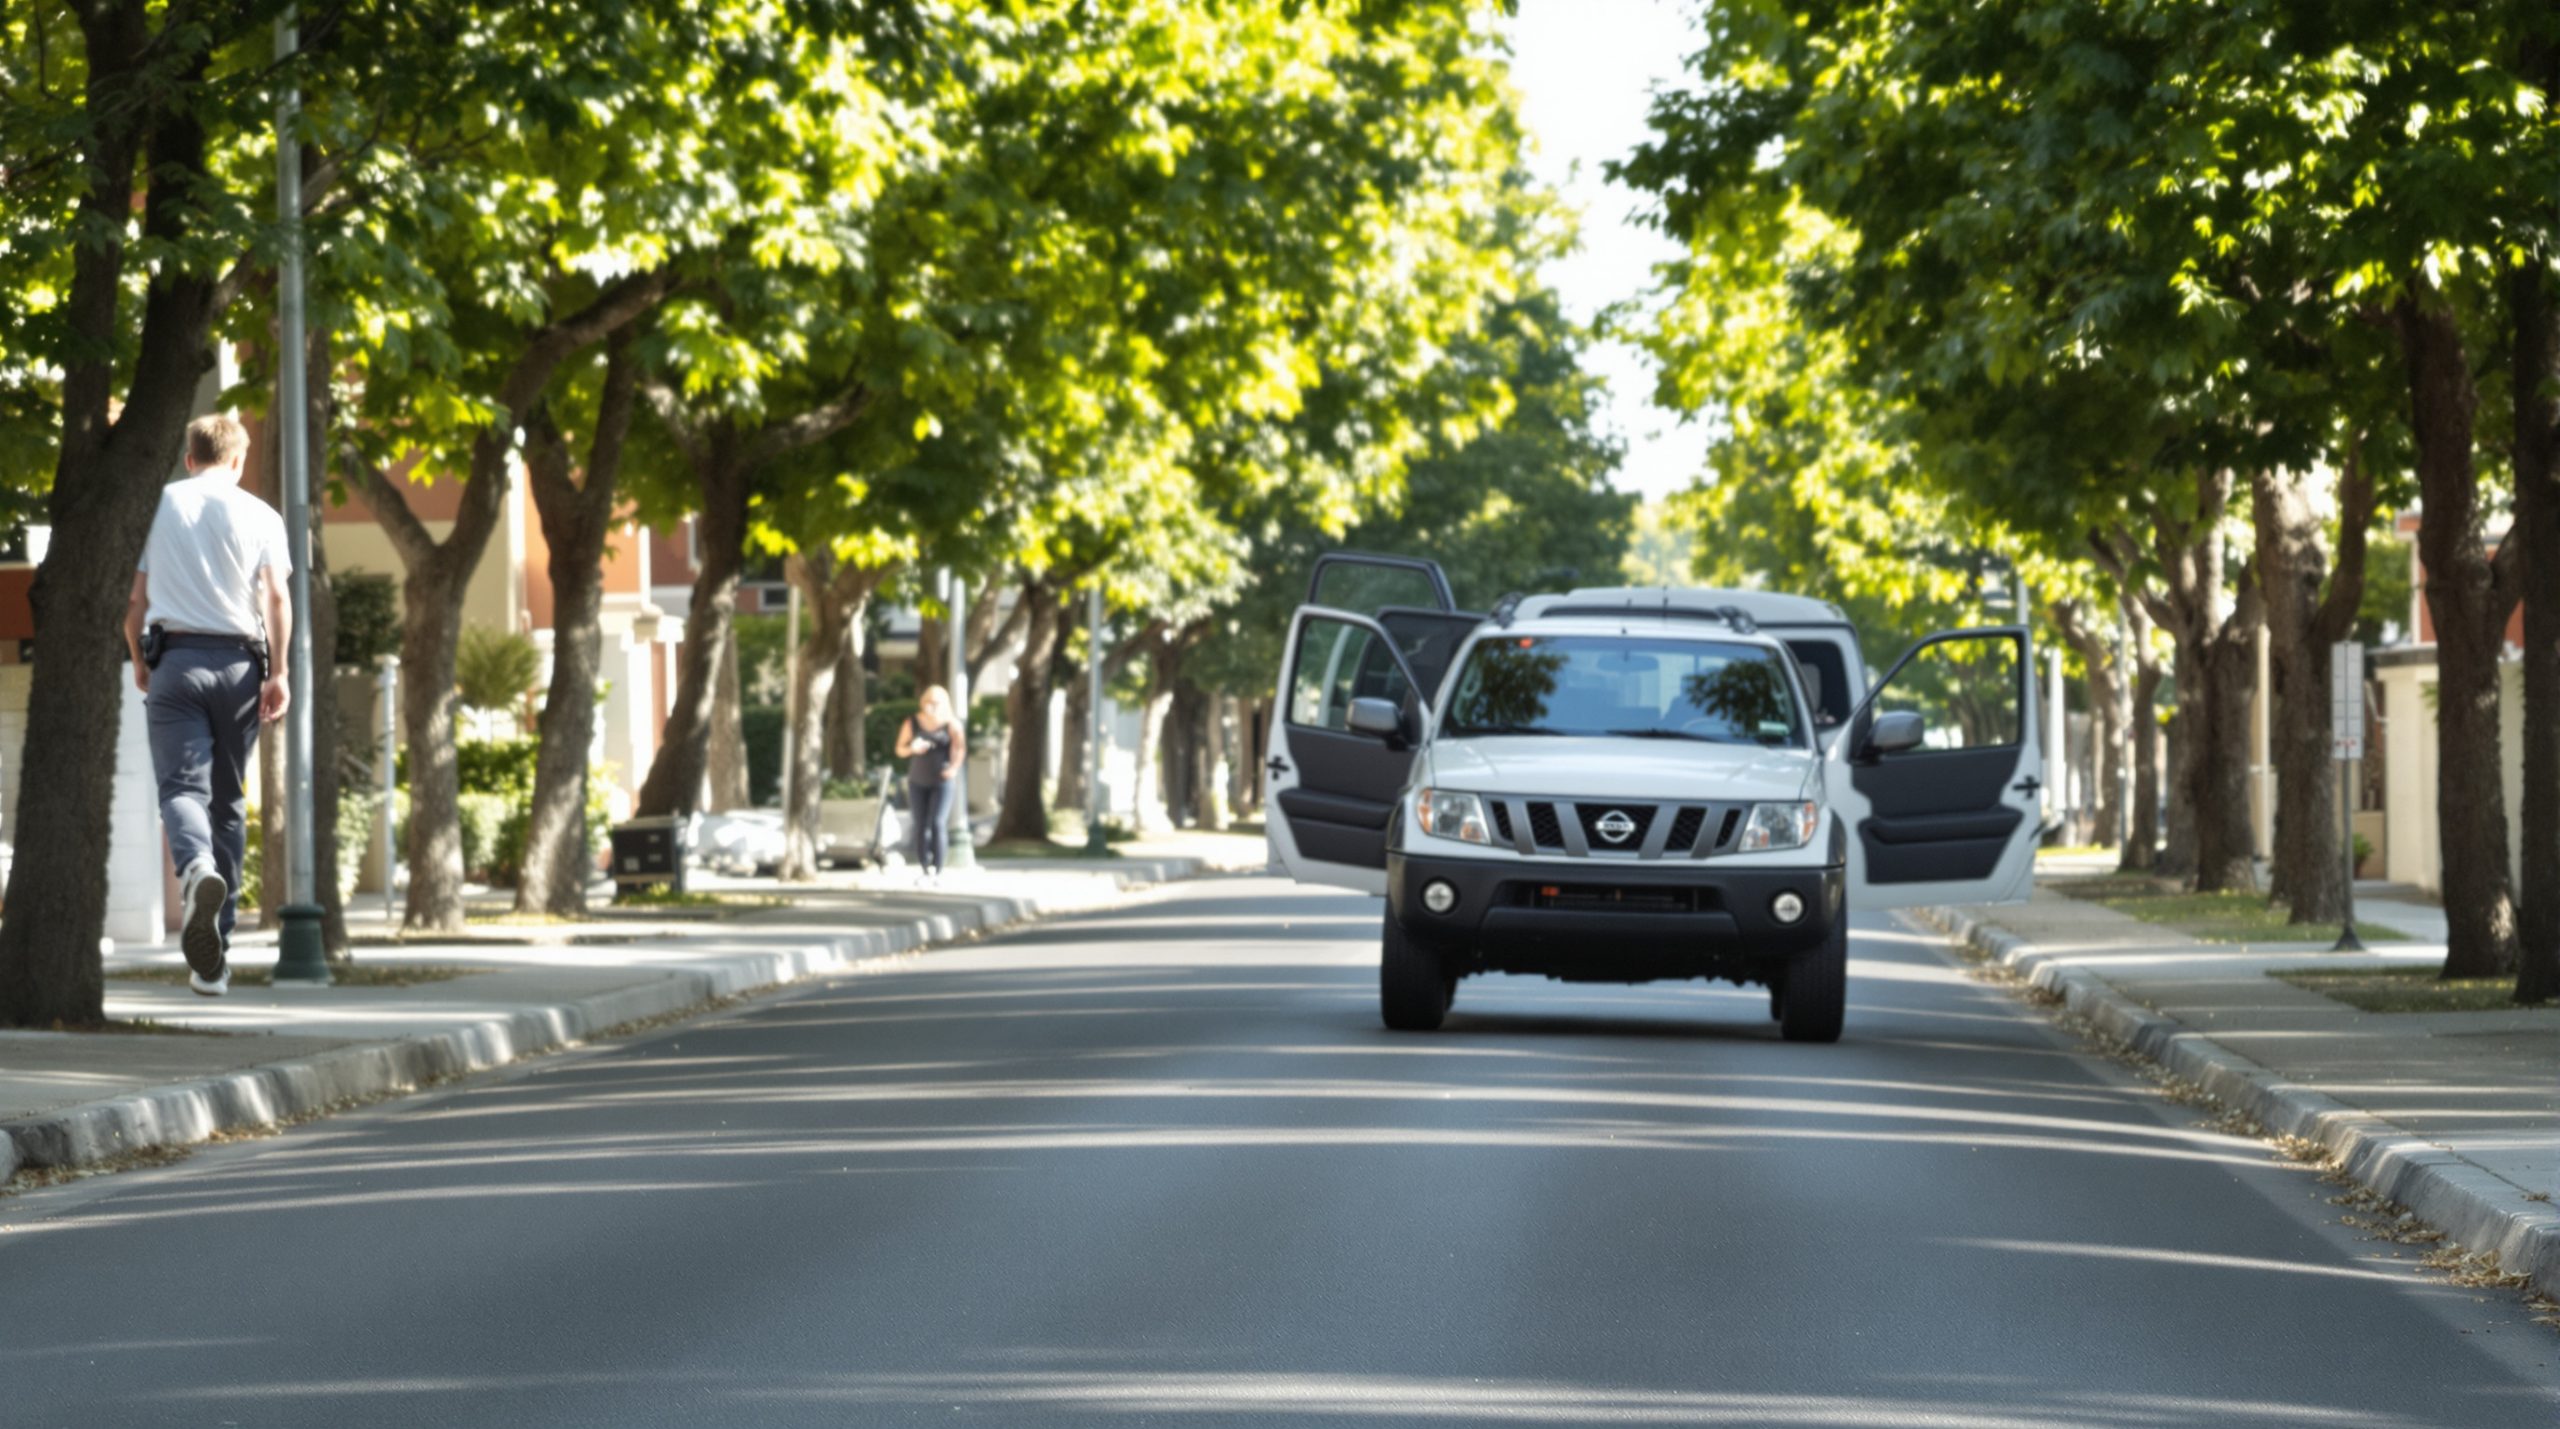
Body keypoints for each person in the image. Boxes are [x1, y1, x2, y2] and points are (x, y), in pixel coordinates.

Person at [124, 413, 293, 996]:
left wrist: (140, 659)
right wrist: (280, 672)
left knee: (180, 791)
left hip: (176, 660)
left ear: (188, 457)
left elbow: (135, 599)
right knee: (227, 799)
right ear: (239, 461)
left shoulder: (158, 505)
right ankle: (213, 959)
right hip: (241, 665)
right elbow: (274, 595)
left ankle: (196, 868)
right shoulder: (261, 514)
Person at [895, 685, 963, 881]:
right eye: (927, 701)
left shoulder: (951, 724)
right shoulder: (913, 722)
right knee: (920, 823)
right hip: (917, 779)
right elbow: (900, 749)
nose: (930, 706)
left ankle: (938, 867)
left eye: (935, 702)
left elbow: (959, 749)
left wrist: (953, 768)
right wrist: (912, 749)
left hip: (941, 780)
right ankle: (925, 867)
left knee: (937, 822)